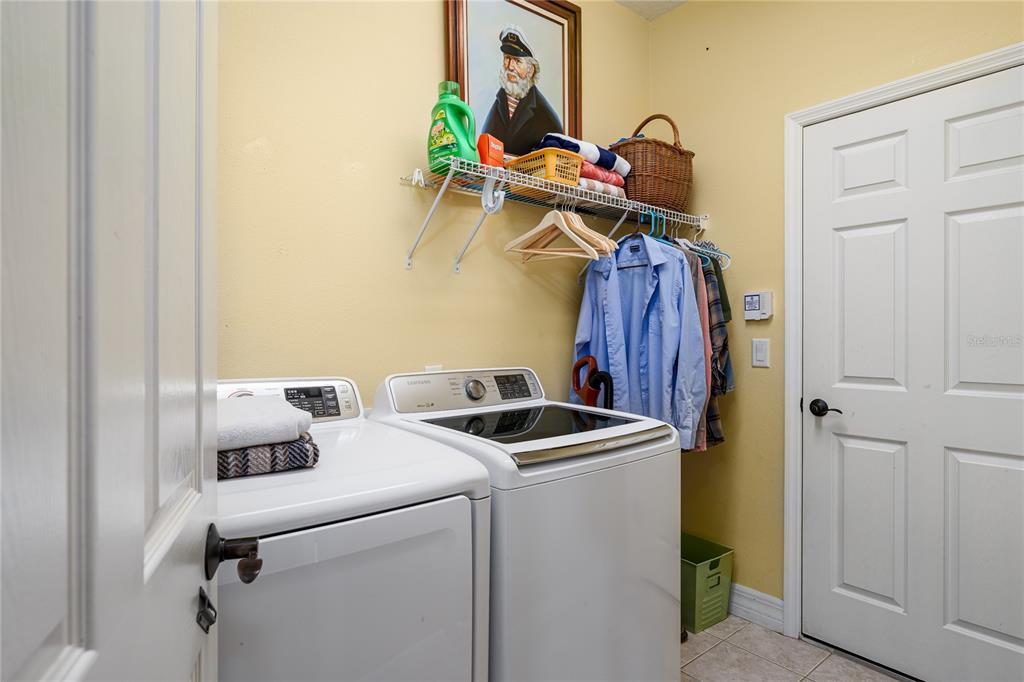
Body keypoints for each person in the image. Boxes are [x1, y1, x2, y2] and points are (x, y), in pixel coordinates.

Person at [481, 26, 563, 155]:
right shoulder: (499, 102)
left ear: (530, 71)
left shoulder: (546, 115)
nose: (510, 67)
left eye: (517, 61)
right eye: (507, 58)